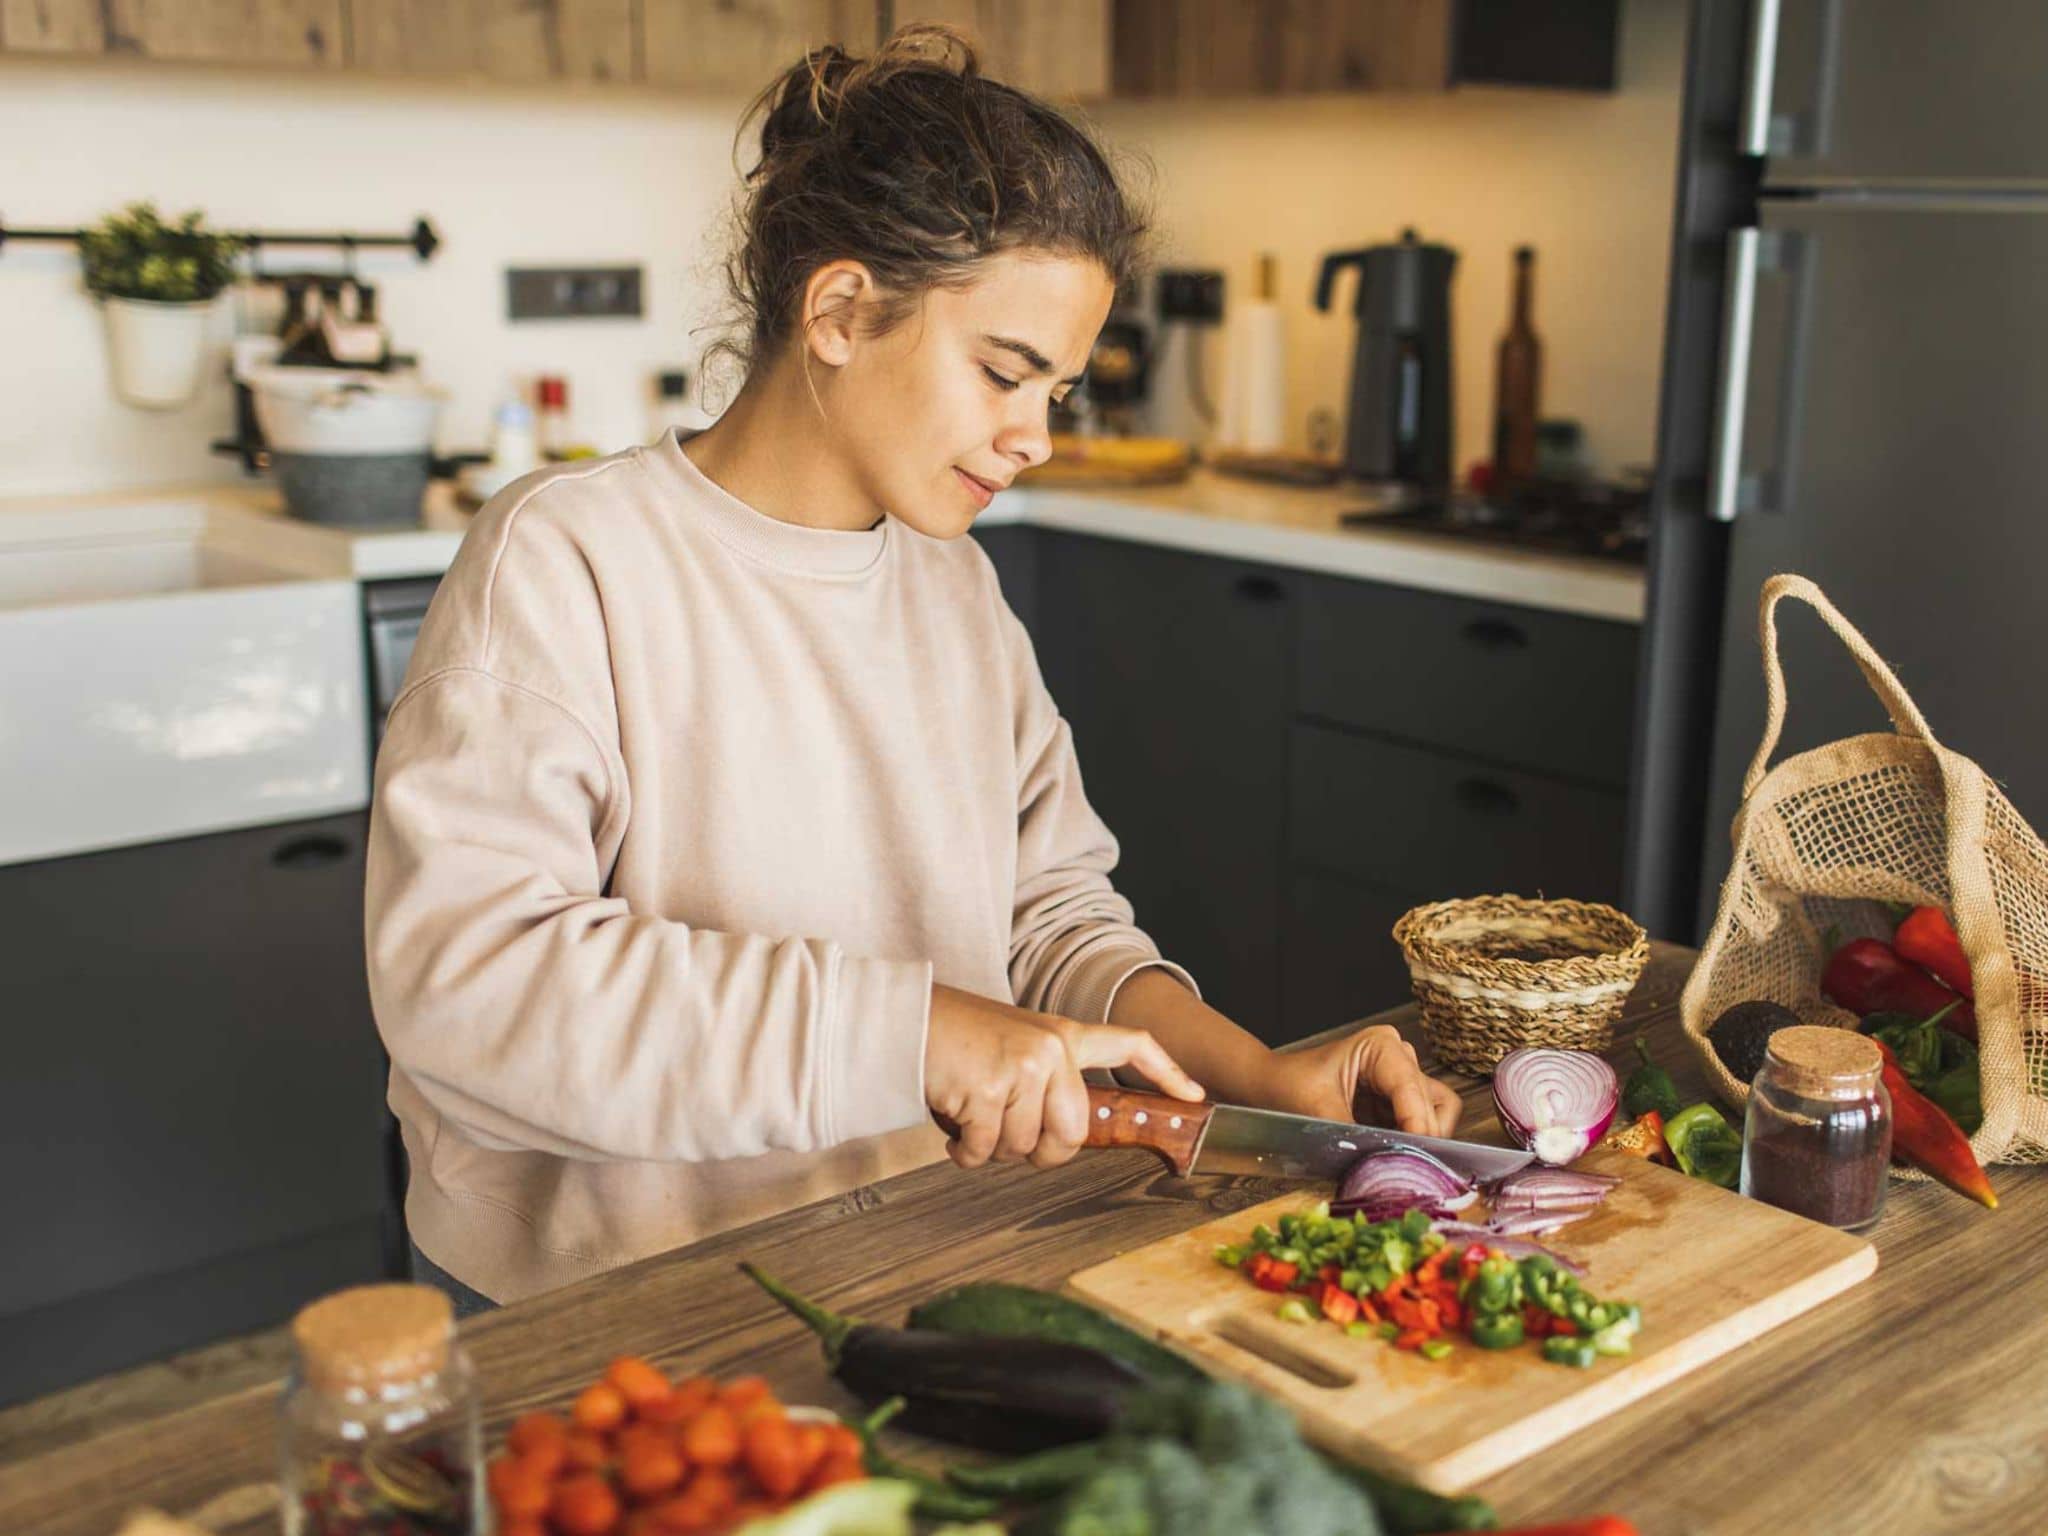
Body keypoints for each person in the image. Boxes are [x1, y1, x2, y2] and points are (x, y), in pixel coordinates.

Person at [366, 25, 1463, 1315]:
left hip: (904, 1260)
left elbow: (1046, 918)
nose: (1036, 437)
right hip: (606, 1309)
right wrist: (920, 1033)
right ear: (838, 312)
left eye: (1057, 390)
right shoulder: (566, 563)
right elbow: (473, 983)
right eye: (1005, 372)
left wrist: (1251, 1079)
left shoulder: (954, 589)